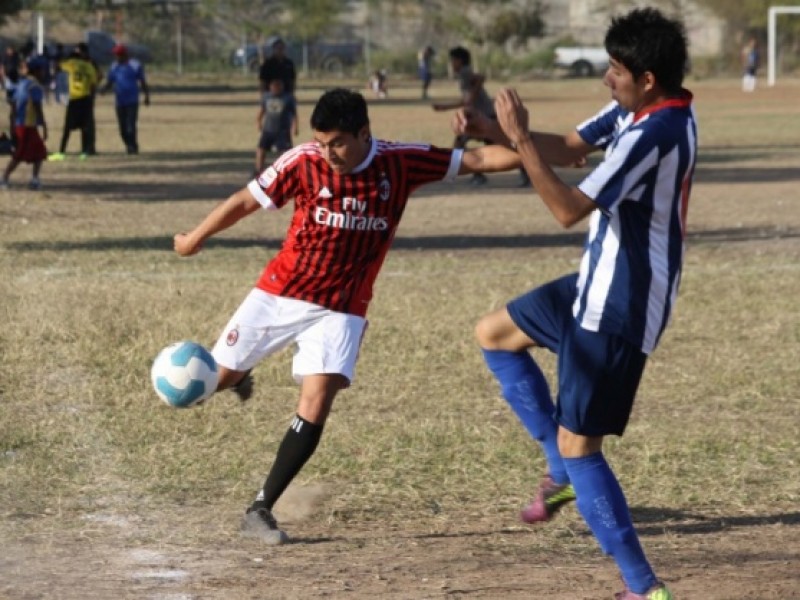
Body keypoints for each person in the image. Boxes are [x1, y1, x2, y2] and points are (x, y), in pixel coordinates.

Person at [172, 87, 522, 546]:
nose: (328, 153)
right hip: (280, 293)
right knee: (205, 385)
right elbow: (245, 200)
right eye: (321, 142)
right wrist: (196, 237)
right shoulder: (303, 162)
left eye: (337, 142)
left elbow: (478, 162)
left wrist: (527, 151)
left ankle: (260, 508)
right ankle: (237, 377)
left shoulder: (400, 162)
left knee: (316, 400)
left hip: (342, 306)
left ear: (364, 133)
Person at [457, 8, 696, 600]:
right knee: (494, 332)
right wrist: (493, 129)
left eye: (616, 70)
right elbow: (566, 148)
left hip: (620, 305)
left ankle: (644, 589)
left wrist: (515, 139)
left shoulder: (654, 133)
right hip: (592, 282)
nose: (606, 78)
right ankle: (558, 474)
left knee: (580, 442)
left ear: (647, 79)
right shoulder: (639, 108)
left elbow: (567, 208)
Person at [434, 46, 529, 187]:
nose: (452, 63)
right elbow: (467, 99)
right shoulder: (463, 74)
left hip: (485, 117)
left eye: (453, 60)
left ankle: (526, 170)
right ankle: (479, 174)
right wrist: (447, 106)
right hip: (482, 116)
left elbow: (480, 79)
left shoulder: (465, 73)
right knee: (500, 146)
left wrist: (471, 95)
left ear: (459, 60)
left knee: (463, 144)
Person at [1, 57, 49, 190]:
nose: (44, 73)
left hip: (22, 124)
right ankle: (4, 178)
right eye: (42, 70)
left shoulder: (22, 84)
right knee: (19, 154)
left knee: (39, 151)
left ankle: (35, 179)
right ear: (37, 71)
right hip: (26, 125)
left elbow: (13, 104)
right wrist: (44, 124)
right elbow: (37, 105)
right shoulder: (35, 86)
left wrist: (12, 123)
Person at [50, 43, 99, 161]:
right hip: (85, 98)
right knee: (85, 126)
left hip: (74, 99)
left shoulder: (71, 64)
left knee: (67, 128)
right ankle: (85, 152)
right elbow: (94, 83)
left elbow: (56, 67)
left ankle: (61, 152)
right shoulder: (89, 66)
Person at [102, 44, 150, 155]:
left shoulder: (135, 65)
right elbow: (110, 81)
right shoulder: (114, 66)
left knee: (130, 126)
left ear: (124, 55)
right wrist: (104, 90)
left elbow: (142, 82)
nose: (116, 57)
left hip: (132, 101)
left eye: (118, 55)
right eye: (116, 55)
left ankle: (132, 147)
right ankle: (128, 144)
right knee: (122, 128)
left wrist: (146, 96)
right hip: (120, 101)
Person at [254, 78, 297, 174]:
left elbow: (294, 114)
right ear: (270, 87)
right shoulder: (266, 97)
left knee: (285, 152)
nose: (276, 88)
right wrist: (258, 122)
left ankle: (287, 170)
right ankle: (258, 170)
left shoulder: (288, 98)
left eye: (278, 86)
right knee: (261, 149)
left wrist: (294, 127)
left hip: (283, 130)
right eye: (274, 86)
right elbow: (262, 111)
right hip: (268, 129)